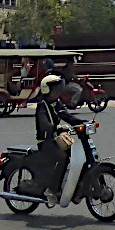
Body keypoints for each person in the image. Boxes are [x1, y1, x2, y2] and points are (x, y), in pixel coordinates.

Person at [34, 74, 82, 207]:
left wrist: (83, 123)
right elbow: (44, 124)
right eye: (55, 89)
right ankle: (52, 190)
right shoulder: (42, 106)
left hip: (56, 140)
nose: (58, 91)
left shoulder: (56, 104)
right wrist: (57, 127)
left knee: (77, 155)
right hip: (45, 142)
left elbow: (67, 116)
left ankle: (74, 188)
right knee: (62, 158)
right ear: (47, 89)